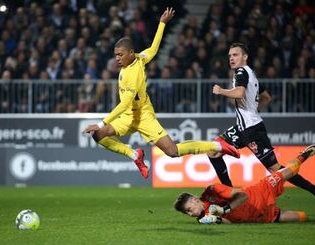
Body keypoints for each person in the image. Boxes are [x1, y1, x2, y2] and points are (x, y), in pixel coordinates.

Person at [83, 8, 239, 179]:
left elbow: (124, 104)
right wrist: (162, 24)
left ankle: (216, 147)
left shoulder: (132, 73)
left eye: (120, 55)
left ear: (130, 52)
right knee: (98, 136)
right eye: (115, 55)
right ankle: (135, 155)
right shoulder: (139, 58)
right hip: (128, 116)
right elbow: (154, 48)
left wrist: (100, 123)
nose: (117, 59)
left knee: (172, 151)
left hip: (143, 115)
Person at [210, 42, 315, 195]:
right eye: (230, 56)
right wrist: (254, 110)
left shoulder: (241, 72)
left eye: (235, 55)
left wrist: (221, 91)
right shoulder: (251, 74)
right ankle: (230, 194)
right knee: (213, 152)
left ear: (245, 56)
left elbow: (239, 93)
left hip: (251, 130)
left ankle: (313, 189)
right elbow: (266, 97)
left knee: (275, 169)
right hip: (242, 128)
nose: (231, 58)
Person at [174, 144, 315, 224]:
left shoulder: (212, 191)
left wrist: (224, 210)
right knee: (302, 218)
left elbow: (242, 196)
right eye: (187, 212)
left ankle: (304, 155)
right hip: (259, 216)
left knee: (289, 171)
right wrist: (216, 220)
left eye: (189, 209)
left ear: (194, 200)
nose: (190, 214)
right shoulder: (204, 218)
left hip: (259, 193)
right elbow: (229, 223)